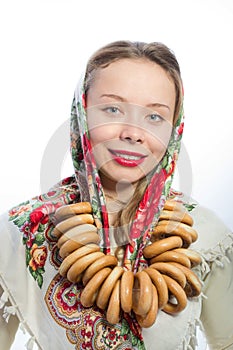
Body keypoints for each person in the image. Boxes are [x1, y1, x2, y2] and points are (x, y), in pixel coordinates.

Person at [0, 40, 232, 350]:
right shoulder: (19, 231)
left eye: (154, 117)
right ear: (81, 113)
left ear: (174, 128)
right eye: (112, 109)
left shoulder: (205, 232)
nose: (133, 132)